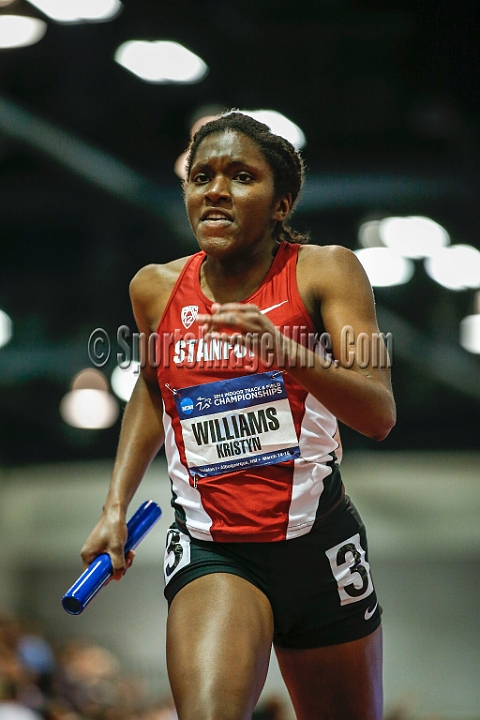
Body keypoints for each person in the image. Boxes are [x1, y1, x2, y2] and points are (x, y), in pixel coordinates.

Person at [80, 112, 396, 720]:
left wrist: (286, 354)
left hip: (319, 544)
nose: (216, 190)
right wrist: (114, 506)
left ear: (280, 204)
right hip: (215, 550)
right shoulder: (155, 287)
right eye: (202, 176)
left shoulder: (326, 270)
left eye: (240, 176)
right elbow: (153, 387)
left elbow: (377, 412)